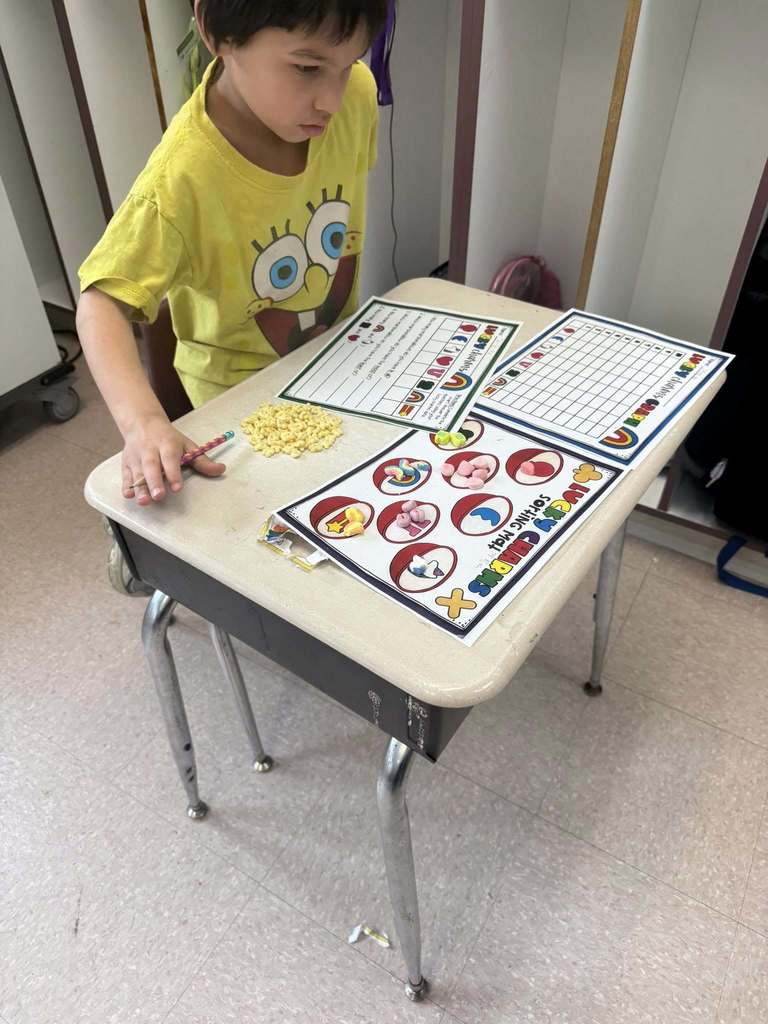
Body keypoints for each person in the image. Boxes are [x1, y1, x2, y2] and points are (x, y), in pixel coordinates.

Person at [76, 0, 385, 505]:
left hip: (337, 364)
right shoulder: (181, 179)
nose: (331, 99)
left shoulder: (356, 97)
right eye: (307, 68)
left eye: (349, 63)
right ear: (216, 32)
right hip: (239, 404)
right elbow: (100, 304)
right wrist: (146, 424)